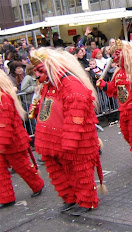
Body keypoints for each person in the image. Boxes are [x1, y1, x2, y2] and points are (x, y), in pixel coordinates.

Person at [30, 47, 104, 216]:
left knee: (80, 170)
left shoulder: (70, 83)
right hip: (53, 141)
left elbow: (76, 114)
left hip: (75, 141)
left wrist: (69, 141)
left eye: (40, 70)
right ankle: (70, 198)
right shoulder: (47, 85)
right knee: (59, 173)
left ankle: (86, 200)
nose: (37, 75)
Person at [98, 40, 132, 173]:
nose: (115, 57)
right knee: (127, 135)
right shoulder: (118, 72)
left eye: (118, 54)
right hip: (124, 110)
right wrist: (104, 85)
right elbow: (114, 89)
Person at [0, 69, 44, 209]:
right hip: (6, 140)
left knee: (22, 167)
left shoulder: (4, 99)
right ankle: (6, 197)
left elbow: (4, 124)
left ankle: (37, 185)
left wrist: (2, 144)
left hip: (12, 141)